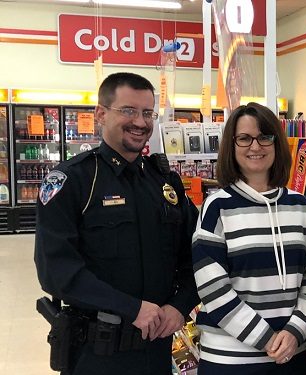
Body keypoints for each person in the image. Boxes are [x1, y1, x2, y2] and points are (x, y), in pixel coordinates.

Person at [34, 72, 199, 375]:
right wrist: (132, 308)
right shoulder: (73, 181)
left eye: (147, 113)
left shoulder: (165, 182)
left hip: (160, 349)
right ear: (100, 114)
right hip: (98, 353)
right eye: (128, 111)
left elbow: (195, 254)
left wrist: (180, 304)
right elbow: (56, 272)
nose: (140, 122)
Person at [192, 103, 306, 375]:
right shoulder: (217, 207)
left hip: (291, 355)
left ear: (276, 142)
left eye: (265, 137)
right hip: (230, 360)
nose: (256, 146)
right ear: (232, 145)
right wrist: (267, 338)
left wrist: (294, 331)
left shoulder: (299, 205)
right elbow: (212, 288)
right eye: (244, 138)